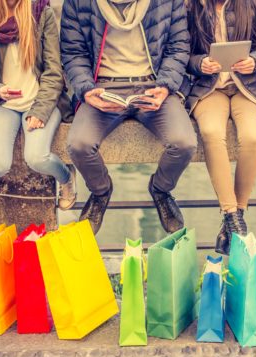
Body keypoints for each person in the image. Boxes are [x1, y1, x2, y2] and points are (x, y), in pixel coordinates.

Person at [61, 0, 197, 234]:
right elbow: (73, 52)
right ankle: (101, 191)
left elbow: (179, 46)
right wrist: (86, 90)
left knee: (184, 143)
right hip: (102, 87)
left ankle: (161, 189)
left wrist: (165, 86)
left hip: (152, 85)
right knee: (79, 145)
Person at [0, 0, 76, 214]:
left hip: (41, 101)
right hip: (1, 105)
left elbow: (54, 72)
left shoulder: (41, 12)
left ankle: (66, 178)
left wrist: (41, 110)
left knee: (38, 158)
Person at [184, 0, 256, 254]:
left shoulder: (252, 4)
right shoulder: (190, 7)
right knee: (212, 131)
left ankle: (235, 217)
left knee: (252, 138)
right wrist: (200, 63)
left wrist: (254, 61)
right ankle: (233, 217)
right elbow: (181, 53)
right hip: (209, 88)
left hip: (248, 87)